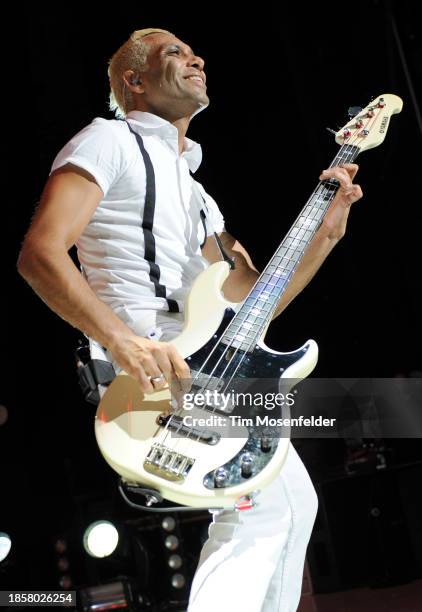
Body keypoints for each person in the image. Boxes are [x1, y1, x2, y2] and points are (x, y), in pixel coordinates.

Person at [17, 28, 363, 611]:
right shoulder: (107, 141)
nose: (196, 57)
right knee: (263, 512)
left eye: (195, 50)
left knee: (291, 506)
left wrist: (324, 236)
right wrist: (120, 340)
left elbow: (256, 304)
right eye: (174, 52)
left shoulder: (200, 197)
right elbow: (40, 254)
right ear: (135, 80)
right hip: (149, 369)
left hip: (208, 369)